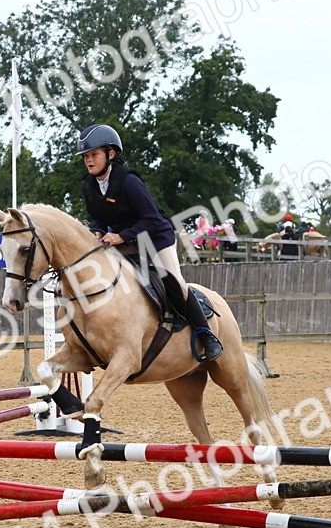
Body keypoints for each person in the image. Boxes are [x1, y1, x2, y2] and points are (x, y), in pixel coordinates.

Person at [76, 123, 223, 362]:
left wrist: (121, 236)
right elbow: (98, 218)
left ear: (110, 154)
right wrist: (97, 232)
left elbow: (152, 219)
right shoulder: (88, 185)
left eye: (94, 155)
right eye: (85, 156)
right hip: (126, 241)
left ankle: (206, 335)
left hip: (156, 237)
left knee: (175, 283)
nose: (89, 161)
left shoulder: (128, 181)